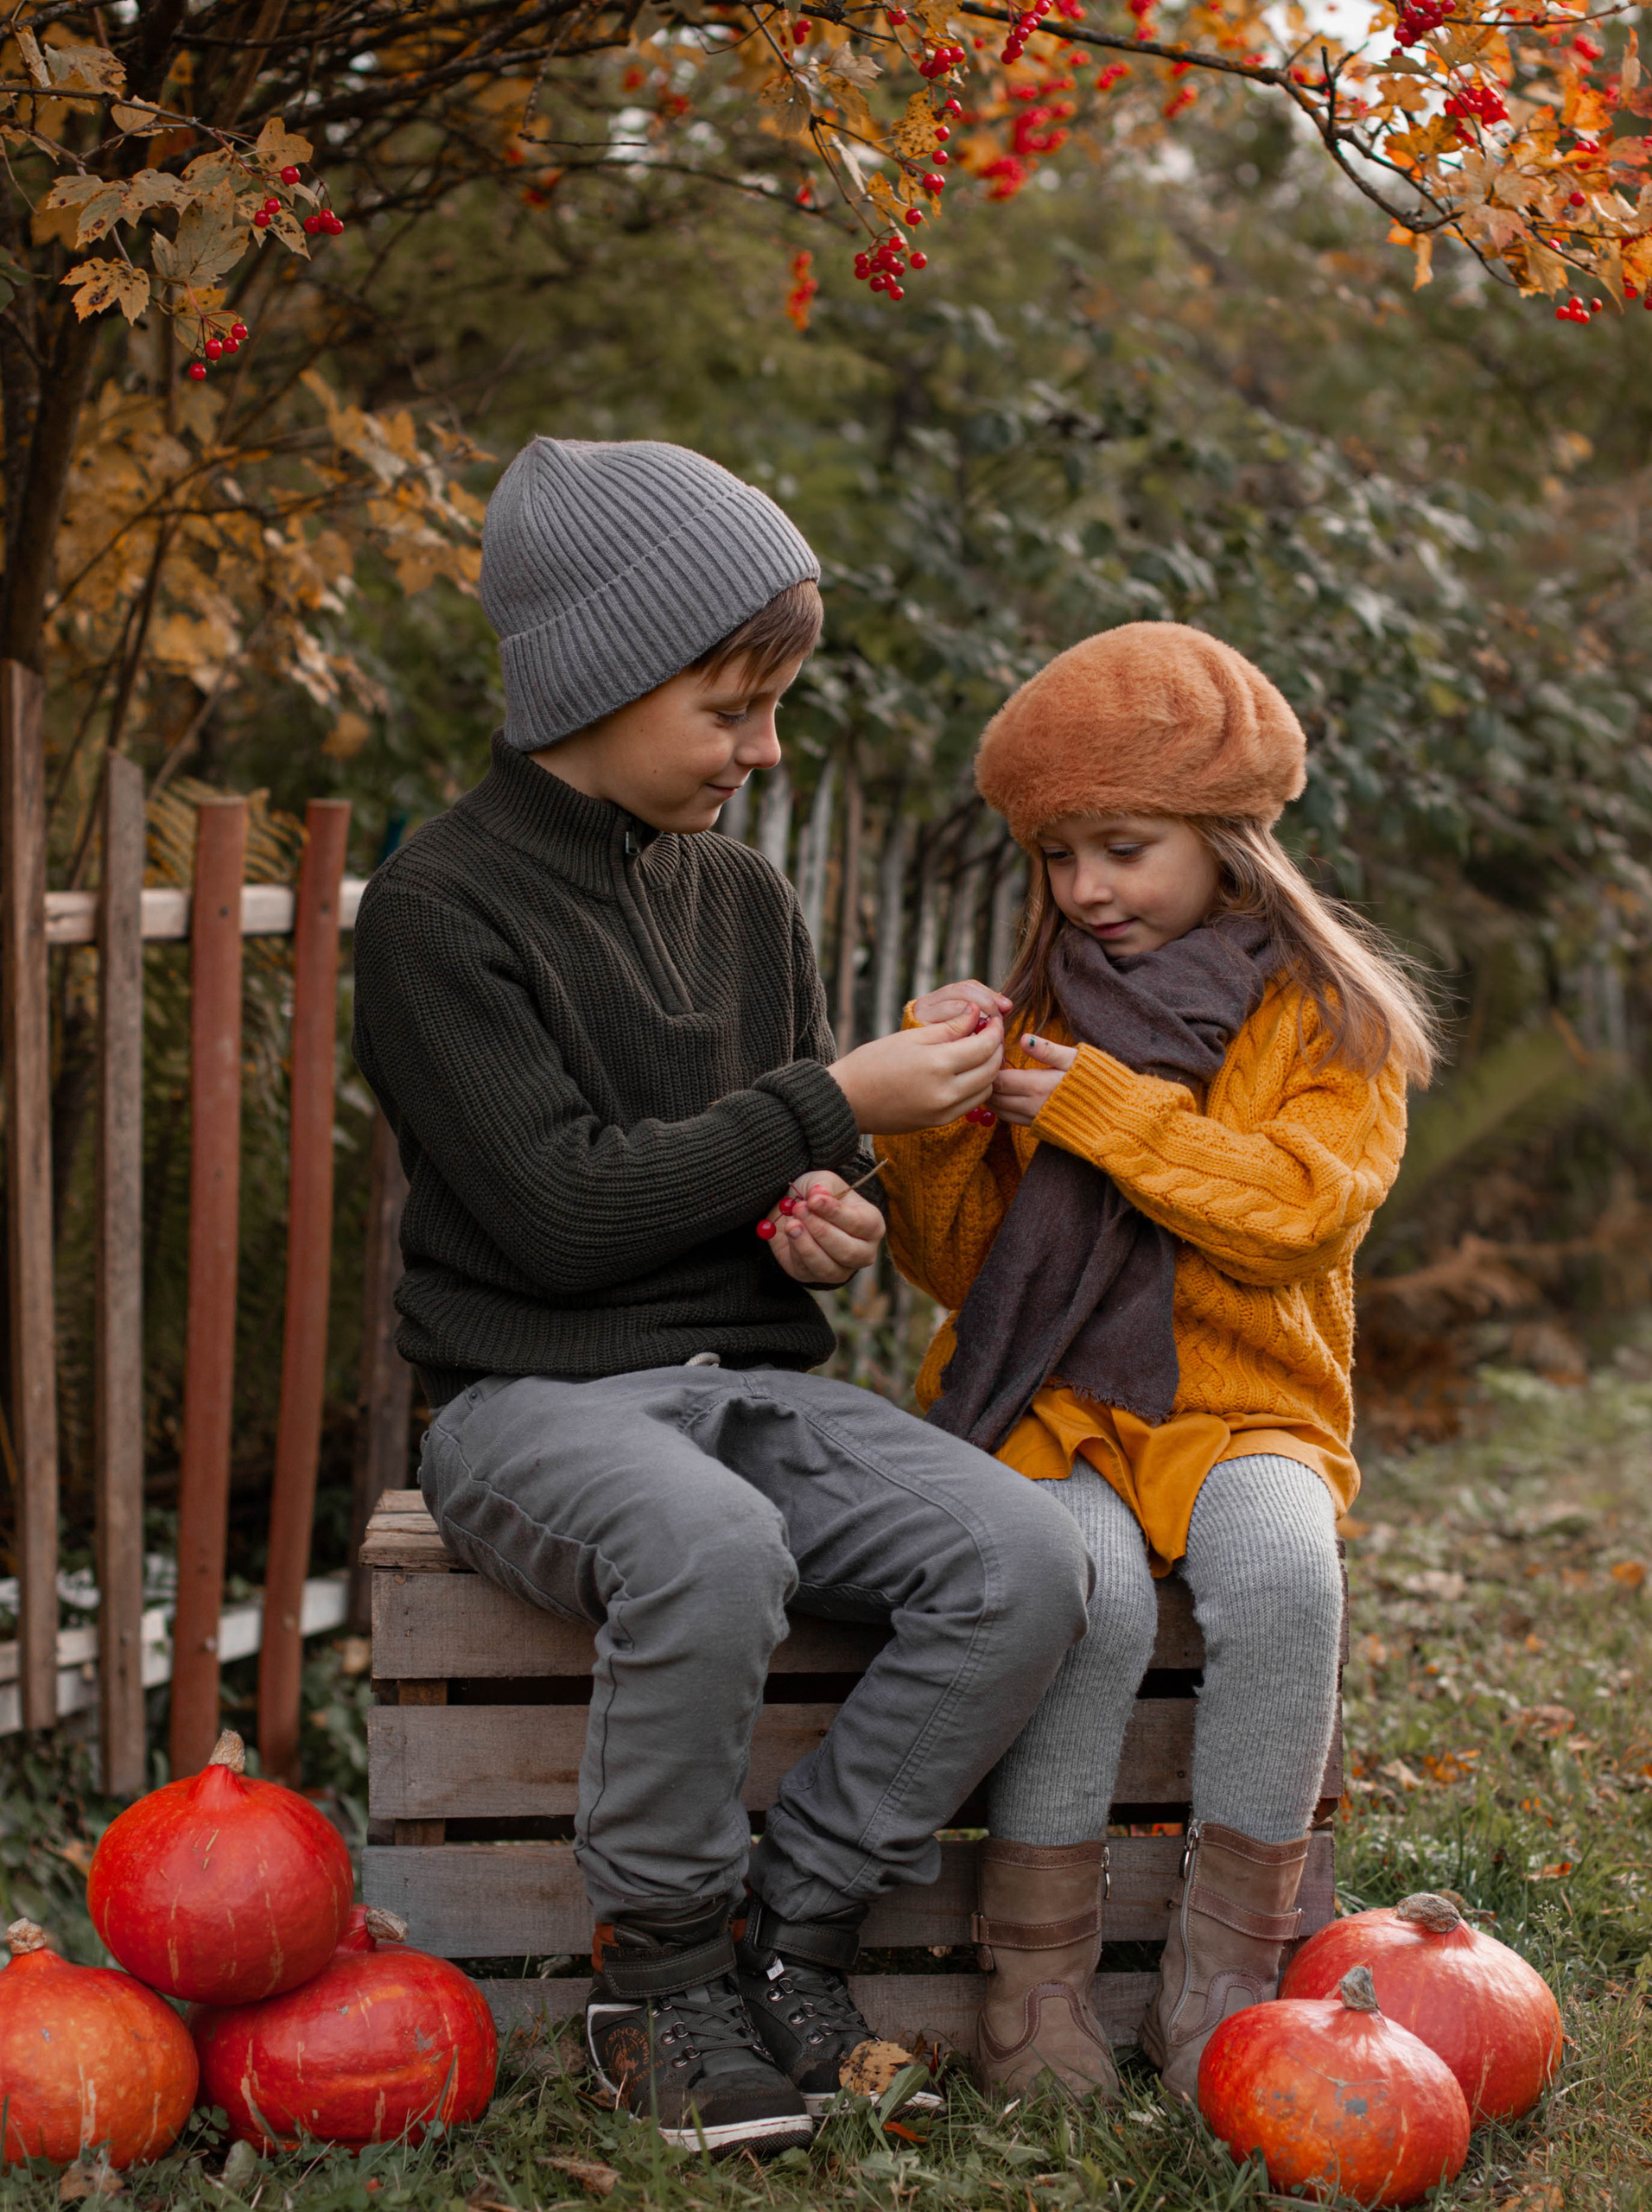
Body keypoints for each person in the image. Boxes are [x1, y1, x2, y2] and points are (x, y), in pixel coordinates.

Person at [349, 437, 1090, 2159]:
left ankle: (799, 1914)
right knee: (705, 1540)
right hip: (530, 1403)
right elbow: (550, 1215)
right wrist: (830, 1104)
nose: (763, 750)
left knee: (1021, 1556)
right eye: (731, 708)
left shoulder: (744, 895)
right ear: (600, 678)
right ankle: (658, 1972)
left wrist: (815, 1213)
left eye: (773, 708)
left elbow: (745, 1164)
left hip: (754, 1384)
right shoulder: (439, 908)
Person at [877, 620, 1437, 2105]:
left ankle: (1227, 1982)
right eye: (1059, 860)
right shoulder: (1045, 1020)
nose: (1085, 892)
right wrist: (932, 1118)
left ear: (1228, 835)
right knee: (1089, 1595)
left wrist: (1107, 1115)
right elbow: (961, 1264)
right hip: (1058, 1410)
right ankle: (1033, 1992)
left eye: (1121, 847)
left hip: (1249, 1403)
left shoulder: (1333, 1022)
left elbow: (1297, 1217)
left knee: (1284, 1576)